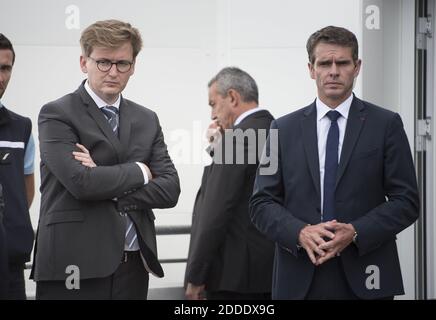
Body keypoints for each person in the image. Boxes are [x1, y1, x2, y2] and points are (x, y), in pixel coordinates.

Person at [249, 26, 419, 300]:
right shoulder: (280, 129)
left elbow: (407, 201)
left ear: (357, 66)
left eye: (342, 63)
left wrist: (355, 231)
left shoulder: (386, 124)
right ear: (311, 69)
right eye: (324, 63)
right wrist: (300, 232)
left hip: (368, 276)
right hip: (299, 277)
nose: (333, 71)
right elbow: (261, 203)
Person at [31, 19, 180, 300]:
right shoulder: (56, 114)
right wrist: (140, 171)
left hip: (133, 265)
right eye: (103, 62)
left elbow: (171, 188)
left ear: (133, 66)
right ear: (83, 62)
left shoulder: (146, 119)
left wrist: (104, 179)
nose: (113, 72)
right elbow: (82, 183)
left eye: (122, 63)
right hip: (73, 266)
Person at [185, 67, 274, 300]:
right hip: (275, 273)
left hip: (234, 279)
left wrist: (195, 276)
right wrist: (219, 147)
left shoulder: (236, 141)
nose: (213, 115)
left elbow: (214, 211)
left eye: (213, 104)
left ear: (232, 97)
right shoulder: (280, 131)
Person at [0, 33, 35, 300]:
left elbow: (26, 192)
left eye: (5, 68)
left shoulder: (21, 127)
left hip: (10, 263)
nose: (1, 78)